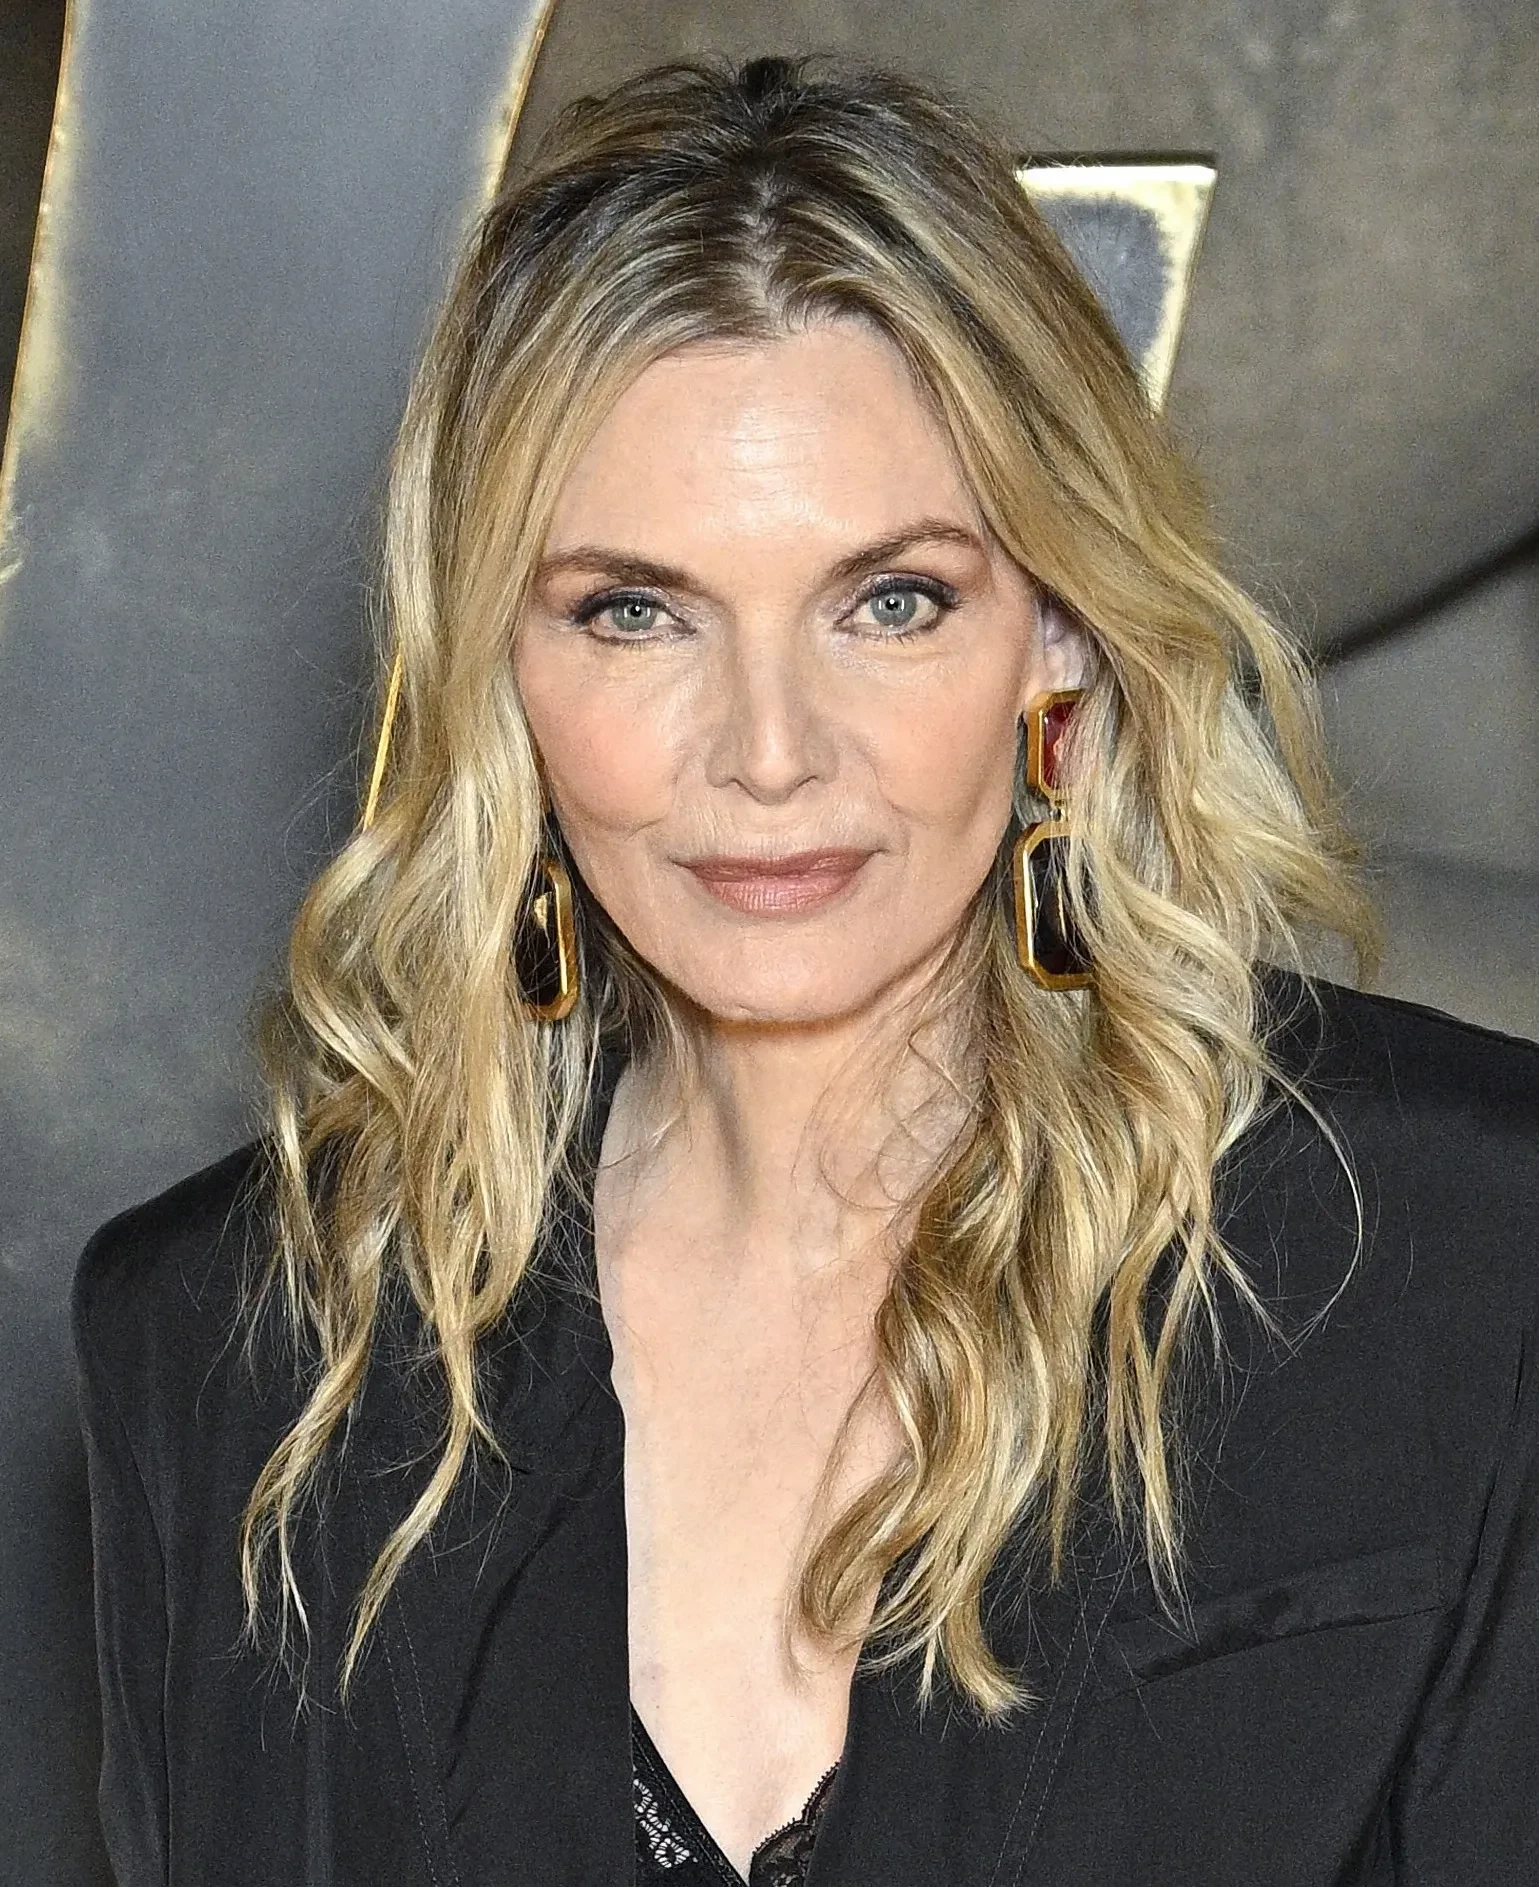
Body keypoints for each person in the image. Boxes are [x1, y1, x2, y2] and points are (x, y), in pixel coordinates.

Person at [71, 53, 1539, 1887]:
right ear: (500, 677)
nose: (768, 752)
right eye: (634, 611)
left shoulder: (1459, 1254)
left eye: (889, 601)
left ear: (1059, 635)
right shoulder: (240, 1351)